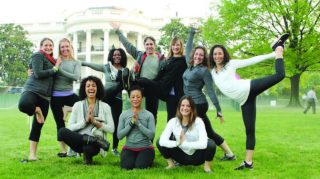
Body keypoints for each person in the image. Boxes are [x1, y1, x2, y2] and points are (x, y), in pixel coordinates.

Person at [209, 34, 288, 170]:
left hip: (249, 87)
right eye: (215, 54)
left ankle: (279, 49)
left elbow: (252, 60)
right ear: (212, 56)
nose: (217, 56)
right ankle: (248, 163)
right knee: (250, 131)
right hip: (244, 100)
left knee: (279, 75)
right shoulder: (211, 72)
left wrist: (272, 54)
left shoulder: (230, 64)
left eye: (220, 53)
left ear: (224, 54)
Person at [183, 44, 236, 161]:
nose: (198, 56)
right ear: (193, 55)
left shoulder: (204, 71)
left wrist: (218, 109)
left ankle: (184, 158)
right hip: (189, 104)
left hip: (198, 104)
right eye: (196, 54)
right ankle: (230, 154)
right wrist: (192, 32)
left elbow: (211, 91)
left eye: (201, 55)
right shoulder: (190, 66)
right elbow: (187, 49)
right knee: (209, 132)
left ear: (204, 57)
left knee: (186, 129)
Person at [18, 37, 60, 162]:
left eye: (50, 45)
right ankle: (36, 110)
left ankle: (32, 155)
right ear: (41, 46)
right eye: (45, 45)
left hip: (46, 96)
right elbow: (37, 74)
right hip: (32, 90)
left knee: (37, 126)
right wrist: (54, 69)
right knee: (23, 105)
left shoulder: (54, 61)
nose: (48, 47)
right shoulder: (38, 55)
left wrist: (56, 67)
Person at [111, 22, 163, 123]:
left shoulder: (161, 59)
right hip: (141, 86)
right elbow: (128, 46)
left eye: (151, 44)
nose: (149, 46)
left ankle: (150, 136)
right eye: (147, 44)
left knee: (152, 114)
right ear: (144, 46)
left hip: (153, 86)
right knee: (136, 110)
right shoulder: (140, 55)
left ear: (155, 45)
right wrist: (118, 31)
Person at [58, 76, 114, 165]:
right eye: (88, 86)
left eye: (93, 86)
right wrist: (85, 121)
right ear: (84, 89)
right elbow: (70, 127)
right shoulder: (77, 105)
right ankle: (94, 140)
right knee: (61, 131)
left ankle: (89, 155)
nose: (91, 88)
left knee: (88, 148)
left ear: (98, 88)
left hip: (93, 146)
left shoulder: (105, 107)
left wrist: (95, 122)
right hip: (78, 141)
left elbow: (111, 129)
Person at [82, 48, 128, 156]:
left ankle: (115, 148)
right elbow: (92, 65)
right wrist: (81, 62)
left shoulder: (125, 70)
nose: (117, 56)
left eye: (119, 55)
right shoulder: (107, 67)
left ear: (122, 57)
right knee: (98, 119)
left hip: (118, 98)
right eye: (114, 55)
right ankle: (95, 143)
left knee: (116, 123)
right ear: (111, 56)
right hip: (106, 96)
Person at [157, 96, 216, 173]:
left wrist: (183, 144)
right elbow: (162, 141)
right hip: (180, 157)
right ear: (179, 107)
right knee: (159, 142)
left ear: (192, 108)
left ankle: (207, 168)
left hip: (197, 157)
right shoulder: (173, 121)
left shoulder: (198, 121)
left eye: (188, 106)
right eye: (182, 105)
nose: (185, 108)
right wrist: (177, 143)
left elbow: (203, 144)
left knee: (211, 144)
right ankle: (171, 164)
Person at [135, 37, 188, 121]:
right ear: (171, 46)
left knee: (174, 119)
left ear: (181, 46)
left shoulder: (184, 60)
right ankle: (131, 82)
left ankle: (132, 81)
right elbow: (161, 73)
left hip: (176, 93)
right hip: (165, 89)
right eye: (173, 45)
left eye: (178, 45)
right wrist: (153, 81)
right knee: (145, 83)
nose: (175, 47)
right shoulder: (168, 60)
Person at [50, 38, 81, 157]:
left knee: (83, 110)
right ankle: (64, 150)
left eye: (67, 46)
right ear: (59, 49)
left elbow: (76, 77)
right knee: (60, 123)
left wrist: (60, 69)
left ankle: (77, 147)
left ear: (71, 47)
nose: (65, 49)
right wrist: (31, 71)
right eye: (62, 47)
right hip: (56, 96)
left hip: (69, 95)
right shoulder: (55, 61)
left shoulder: (76, 63)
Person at [117, 85, 155, 170]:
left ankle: (147, 159)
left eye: (138, 97)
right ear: (129, 98)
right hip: (129, 148)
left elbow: (151, 135)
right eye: (133, 97)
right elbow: (119, 136)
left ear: (142, 98)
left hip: (146, 148)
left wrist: (138, 123)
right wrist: (131, 123)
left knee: (140, 167)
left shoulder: (149, 115)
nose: (135, 99)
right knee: (126, 167)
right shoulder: (124, 115)